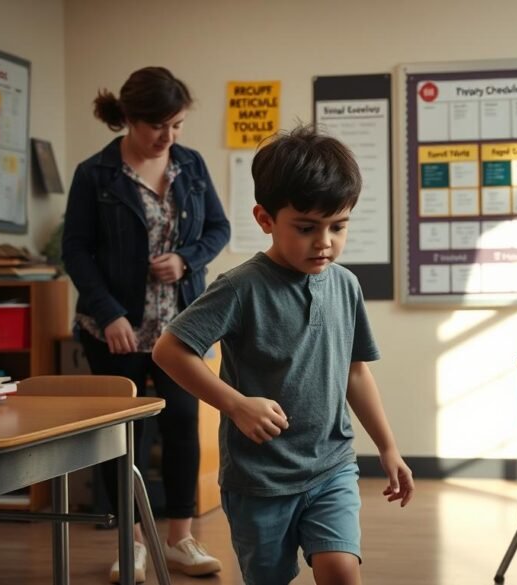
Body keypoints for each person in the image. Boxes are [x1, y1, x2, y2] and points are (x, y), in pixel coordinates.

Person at [152, 124, 414, 585]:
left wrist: (389, 447)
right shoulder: (240, 288)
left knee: (340, 570)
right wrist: (234, 403)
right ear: (265, 218)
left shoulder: (346, 285)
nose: (325, 242)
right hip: (259, 480)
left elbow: (355, 374)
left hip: (331, 466)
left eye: (338, 226)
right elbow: (170, 350)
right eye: (307, 228)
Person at [62, 66, 229, 582]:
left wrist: (185, 258)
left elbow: (219, 229)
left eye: (177, 124)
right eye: (160, 125)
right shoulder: (95, 174)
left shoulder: (192, 166)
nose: (169, 136)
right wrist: (108, 311)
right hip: (115, 329)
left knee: (182, 426)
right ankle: (130, 543)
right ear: (130, 119)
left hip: (181, 328)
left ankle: (179, 539)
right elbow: (76, 250)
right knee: (124, 434)